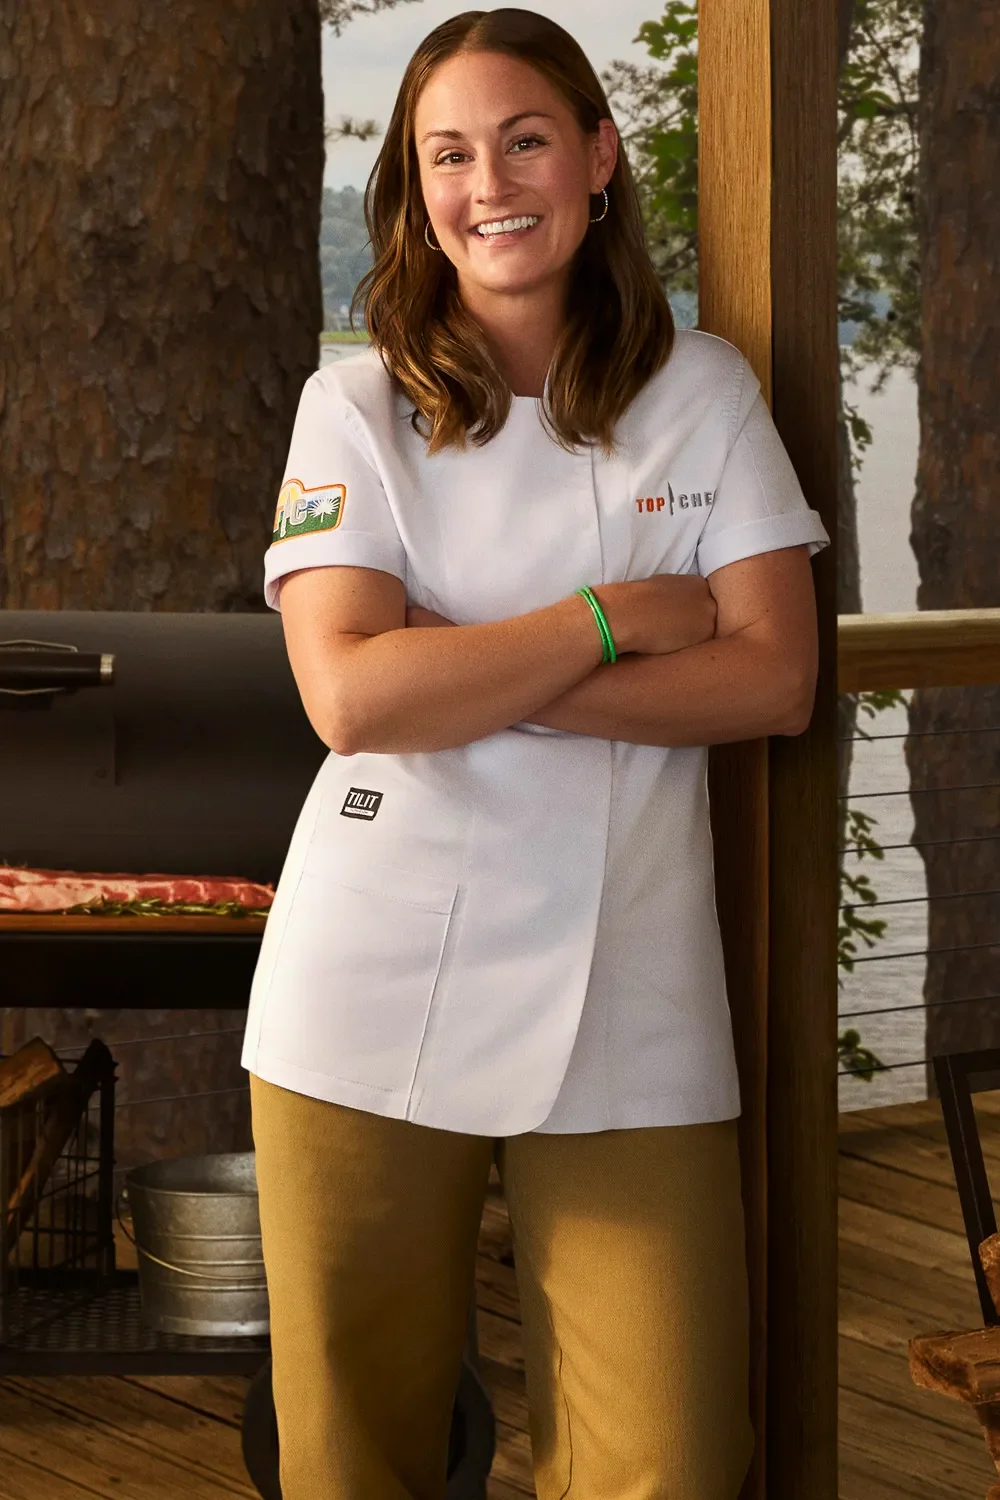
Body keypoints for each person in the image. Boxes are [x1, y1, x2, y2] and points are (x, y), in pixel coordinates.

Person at [241, 8, 830, 1498]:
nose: (489, 182)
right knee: (353, 1455)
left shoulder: (703, 392)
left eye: (524, 139)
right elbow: (353, 704)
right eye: (449, 152)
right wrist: (613, 617)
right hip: (368, 989)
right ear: (416, 191)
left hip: (629, 992)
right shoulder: (352, 405)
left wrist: (472, 666)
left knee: (678, 1460)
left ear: (600, 161)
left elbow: (773, 678)